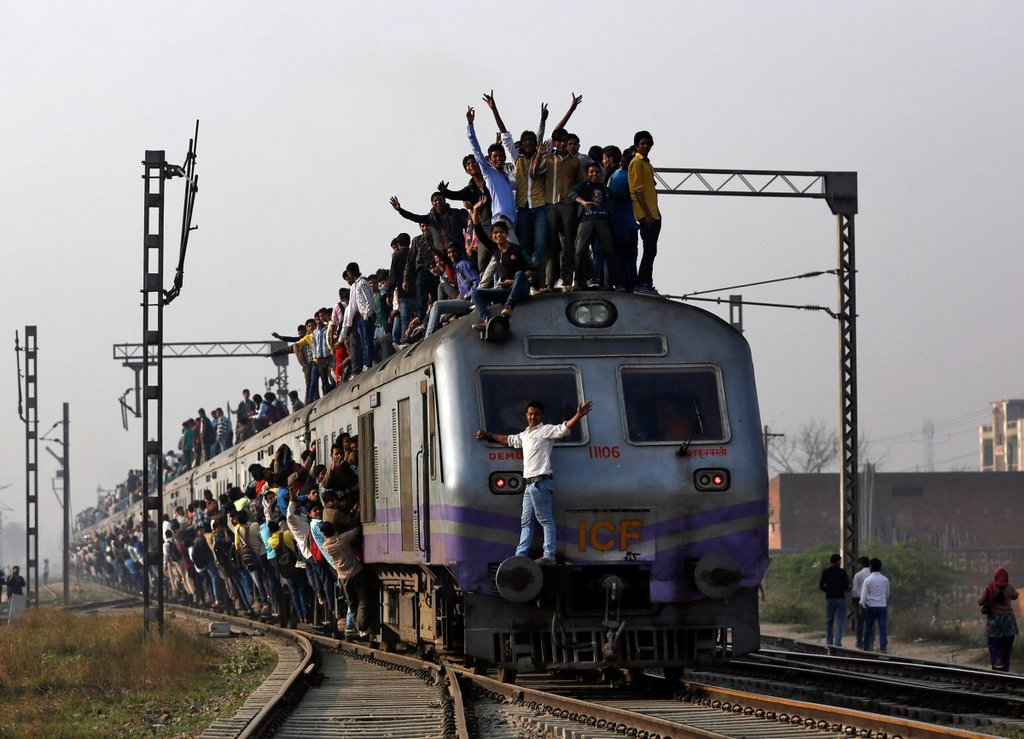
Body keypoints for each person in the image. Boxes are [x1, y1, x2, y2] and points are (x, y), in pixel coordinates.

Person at [475, 399, 594, 564]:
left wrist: (578, 415)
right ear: (526, 415)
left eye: (536, 414)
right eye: (530, 414)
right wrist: (488, 435)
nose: (532, 417)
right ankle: (520, 556)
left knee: (545, 520)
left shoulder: (545, 430)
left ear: (541, 416)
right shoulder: (525, 435)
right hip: (529, 485)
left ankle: (549, 555)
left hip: (541, 482)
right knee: (526, 522)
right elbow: (507, 439)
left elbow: (564, 428)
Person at [628, 130, 661, 294]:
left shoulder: (647, 163)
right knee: (648, 249)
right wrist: (647, 214)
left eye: (648, 143)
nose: (646, 146)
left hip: (654, 213)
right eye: (643, 143)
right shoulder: (636, 162)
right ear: (637, 146)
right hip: (646, 213)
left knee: (652, 249)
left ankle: (647, 280)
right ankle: (643, 282)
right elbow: (637, 190)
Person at [979, 567, 1018, 671]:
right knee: (1007, 647)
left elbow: (980, 601)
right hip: (1008, 621)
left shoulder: (989, 587)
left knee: (993, 643)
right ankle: (1005, 669)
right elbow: (1016, 596)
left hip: (994, 621)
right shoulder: (1010, 587)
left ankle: (996, 660)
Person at [819, 553, 850, 647]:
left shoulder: (826, 571)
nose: (840, 562)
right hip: (841, 599)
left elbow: (821, 585)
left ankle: (829, 642)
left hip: (830, 599)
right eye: (839, 560)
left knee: (829, 621)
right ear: (837, 561)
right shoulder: (842, 572)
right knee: (840, 622)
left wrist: (828, 591)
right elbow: (847, 585)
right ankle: (837, 642)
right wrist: (841, 591)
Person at [860, 558, 890, 653]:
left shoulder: (868, 579)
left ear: (871, 567)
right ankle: (883, 647)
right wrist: (883, 601)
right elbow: (887, 594)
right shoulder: (885, 579)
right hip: (882, 606)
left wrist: (862, 605)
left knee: (868, 627)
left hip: (871, 606)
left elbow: (863, 595)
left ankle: (866, 646)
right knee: (883, 627)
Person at [850, 556, 871, 649]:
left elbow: (854, 590)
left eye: (859, 564)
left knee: (860, 622)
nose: (858, 566)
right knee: (870, 622)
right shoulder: (872, 574)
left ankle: (859, 642)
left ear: (862, 564)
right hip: (871, 601)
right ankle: (870, 641)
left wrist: (855, 601)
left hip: (859, 600)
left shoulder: (858, 575)